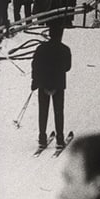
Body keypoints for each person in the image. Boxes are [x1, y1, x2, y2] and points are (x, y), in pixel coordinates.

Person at [30, 20, 72, 149]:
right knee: (58, 111)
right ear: (60, 35)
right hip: (58, 84)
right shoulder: (65, 49)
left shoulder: (41, 48)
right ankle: (60, 139)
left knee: (43, 111)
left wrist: (35, 80)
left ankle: (42, 138)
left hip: (43, 84)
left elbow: (35, 65)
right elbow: (67, 67)